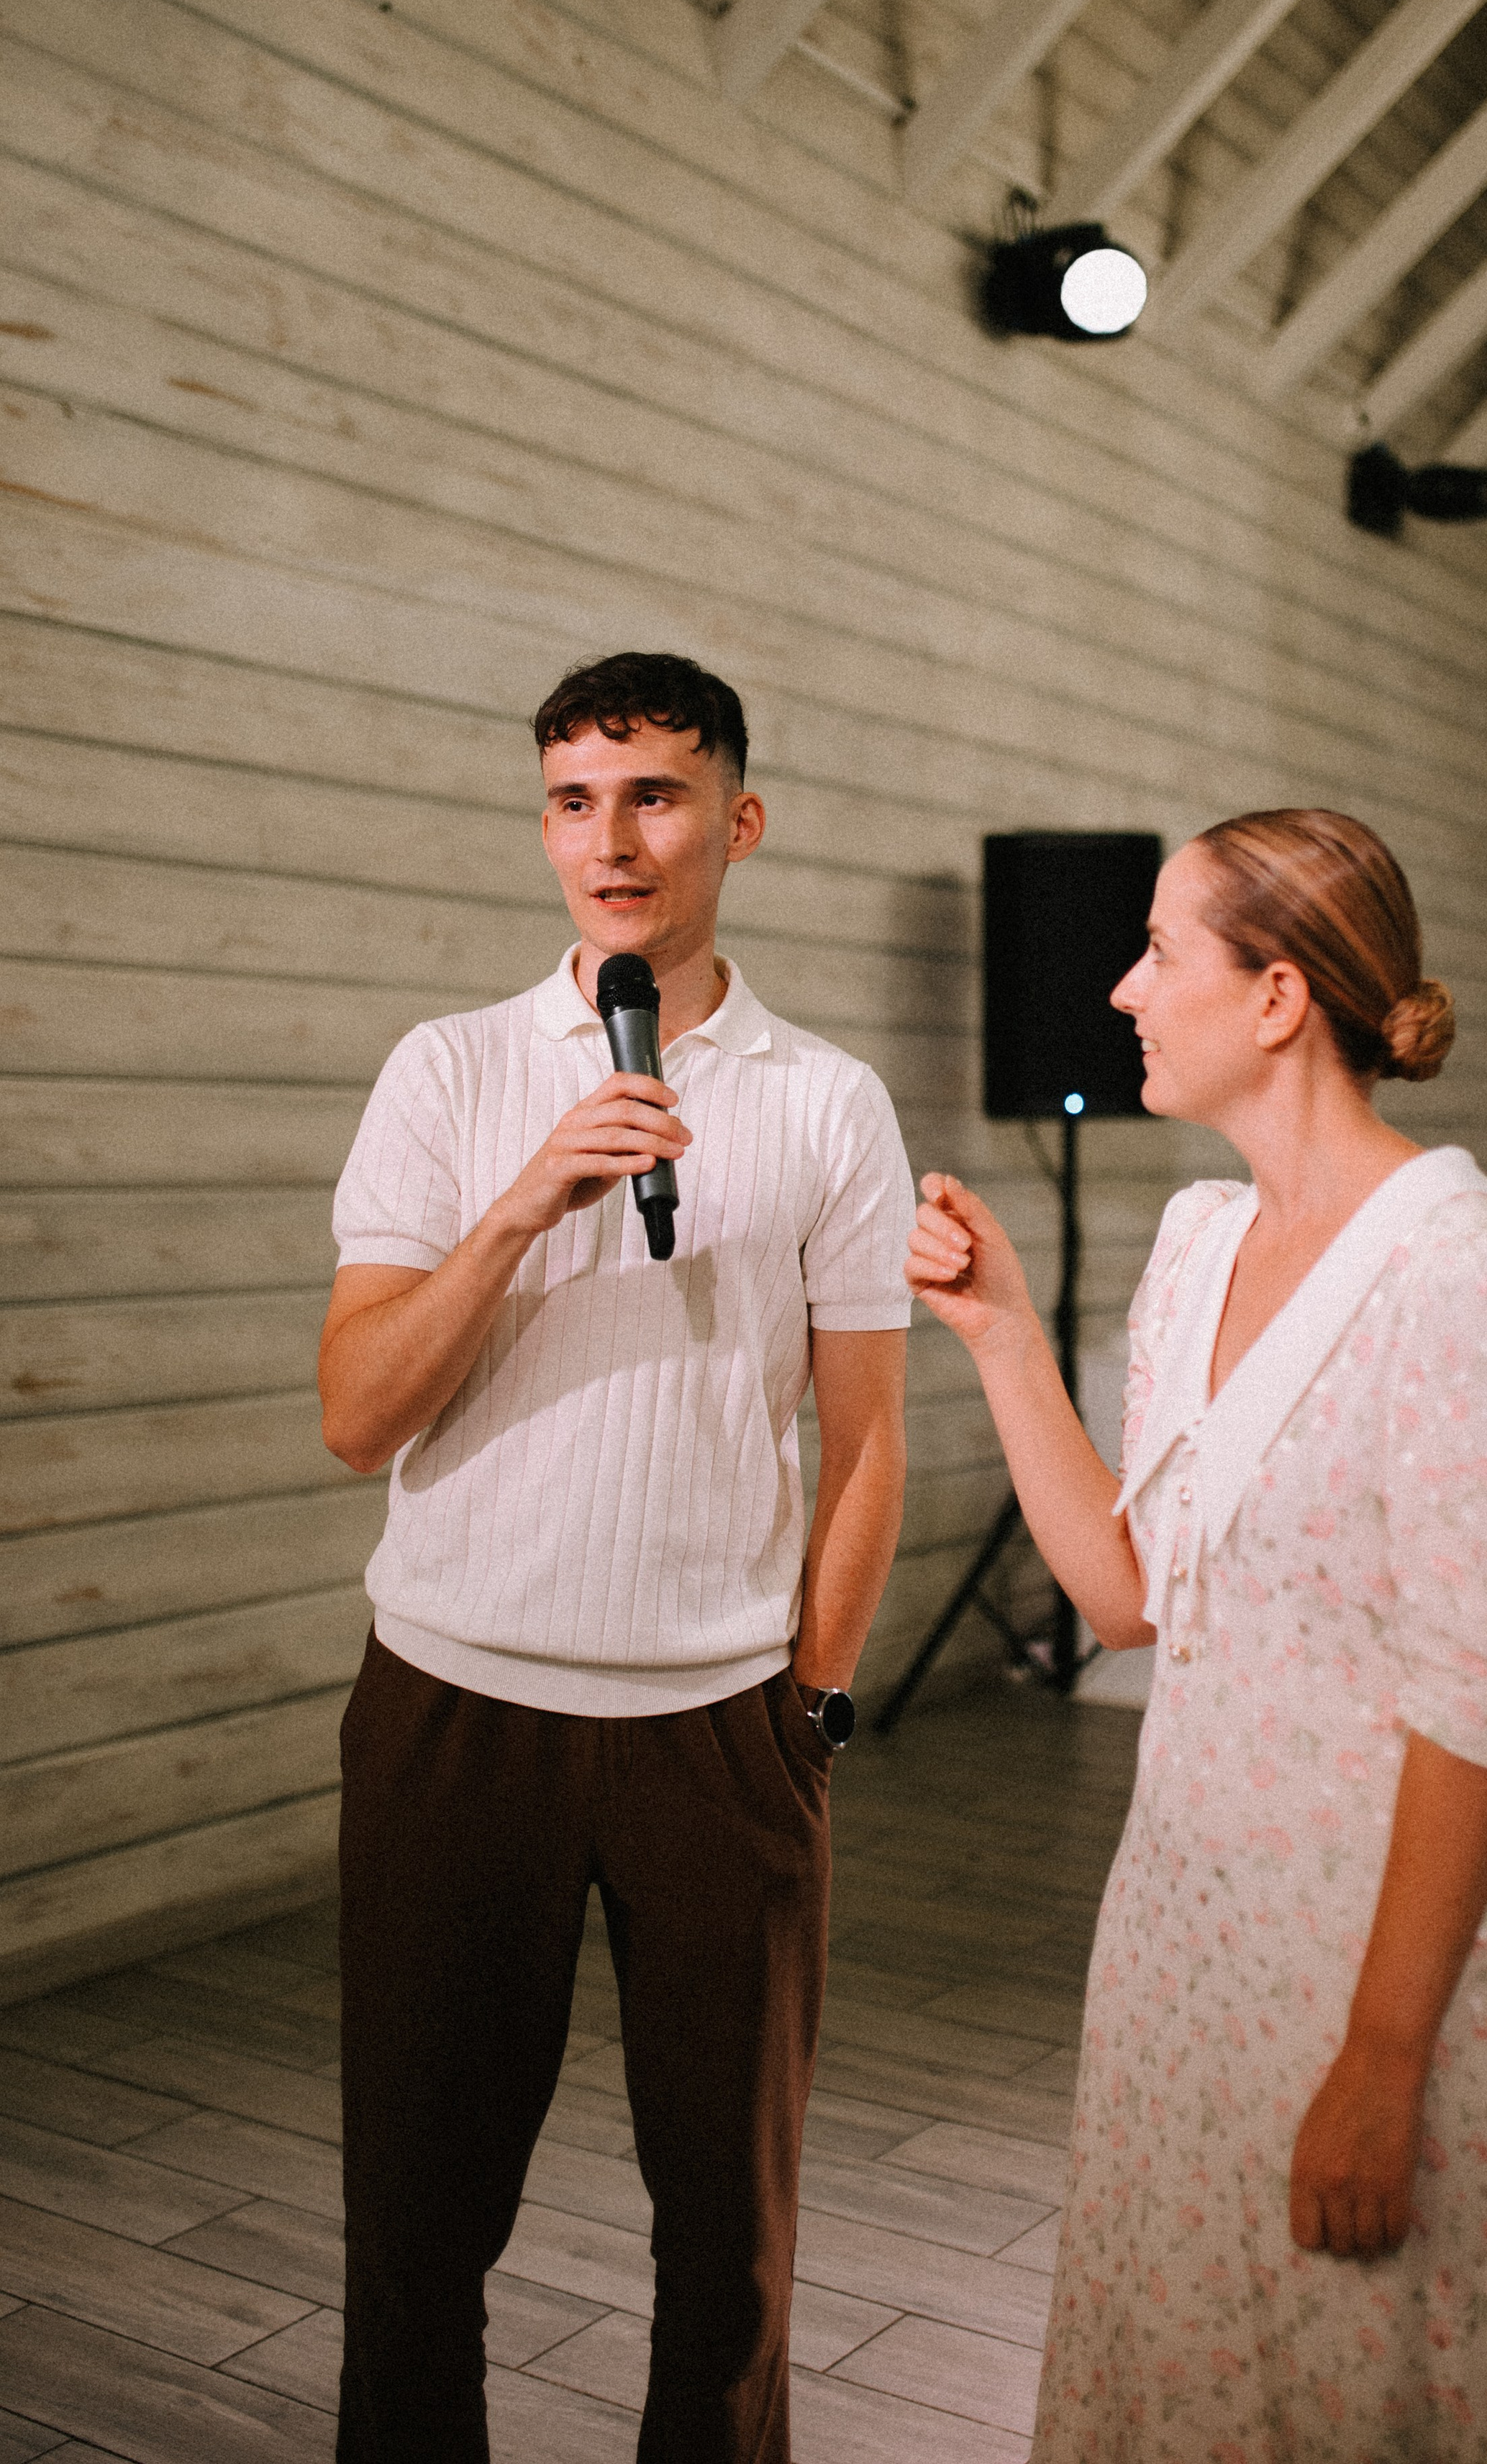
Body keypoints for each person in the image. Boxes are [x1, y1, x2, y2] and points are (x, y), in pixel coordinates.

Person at [906, 810, 1487, 2464]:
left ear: (1279, 994)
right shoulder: (1196, 1243)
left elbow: (1479, 1705)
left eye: (1159, 951)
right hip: (1183, 1933)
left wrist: (1380, 2060)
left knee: (1362, 2385)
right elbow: (1124, 1598)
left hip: (1379, 1963)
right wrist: (1004, 1335)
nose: (1119, 986)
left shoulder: (1476, 1283)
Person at [319, 651, 911, 2464]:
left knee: (726, 2251)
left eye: (653, 793)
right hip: (450, 1710)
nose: (611, 837)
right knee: (417, 2232)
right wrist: (518, 1208)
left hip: (714, 1731)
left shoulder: (825, 1100)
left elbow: (869, 1435)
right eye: (574, 798)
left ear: (736, 819)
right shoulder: (451, 1070)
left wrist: (805, 1701)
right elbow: (357, 1415)